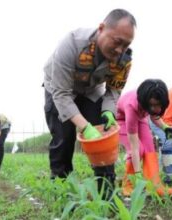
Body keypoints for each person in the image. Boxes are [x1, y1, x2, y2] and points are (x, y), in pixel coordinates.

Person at [43, 8, 136, 197]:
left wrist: (108, 111)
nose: (120, 50)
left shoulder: (124, 60)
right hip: (59, 88)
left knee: (104, 134)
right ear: (101, 28)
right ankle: (61, 188)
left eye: (125, 45)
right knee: (63, 137)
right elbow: (61, 94)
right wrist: (84, 127)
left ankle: (106, 190)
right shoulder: (72, 44)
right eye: (117, 42)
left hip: (91, 90)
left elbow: (114, 90)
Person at [117, 79, 172, 196]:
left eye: (159, 105)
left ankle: (155, 186)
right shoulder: (131, 105)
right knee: (139, 149)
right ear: (145, 102)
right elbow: (134, 146)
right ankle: (128, 184)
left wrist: (165, 127)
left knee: (149, 148)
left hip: (140, 118)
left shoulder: (151, 104)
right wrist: (138, 173)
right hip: (122, 119)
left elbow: (154, 115)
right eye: (152, 105)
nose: (155, 108)